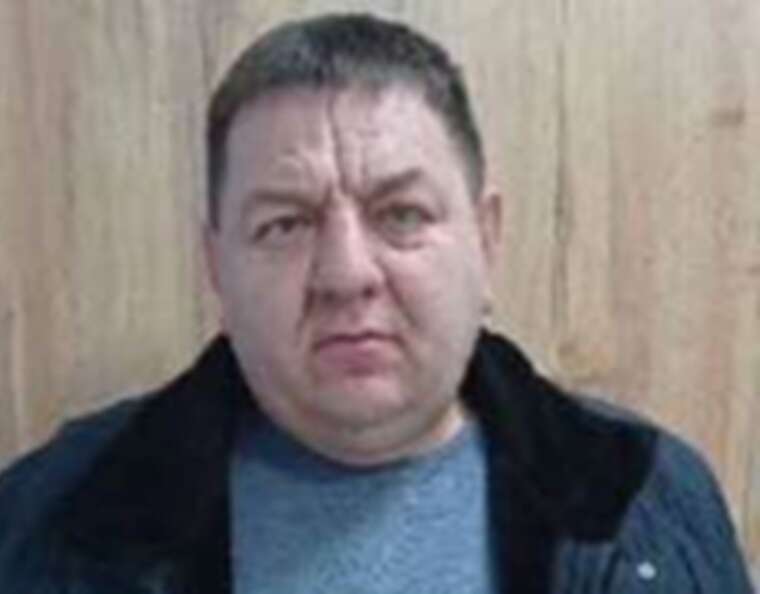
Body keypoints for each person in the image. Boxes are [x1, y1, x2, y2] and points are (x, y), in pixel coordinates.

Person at [0, 12, 752, 594]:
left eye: (401, 214)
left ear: (486, 241)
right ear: (217, 267)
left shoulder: (650, 504)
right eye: (285, 224)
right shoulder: (47, 519)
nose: (346, 274)